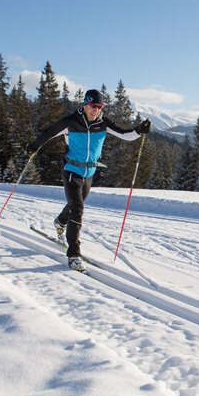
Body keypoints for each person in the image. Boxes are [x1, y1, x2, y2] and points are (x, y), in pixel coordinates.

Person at [27, 89, 150, 271]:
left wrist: (139, 130)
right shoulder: (71, 122)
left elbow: (126, 135)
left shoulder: (103, 123)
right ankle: (74, 254)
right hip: (71, 170)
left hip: (89, 172)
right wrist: (34, 146)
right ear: (85, 104)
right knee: (78, 208)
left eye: (100, 107)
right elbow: (49, 133)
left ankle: (60, 221)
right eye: (93, 106)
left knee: (75, 204)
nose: (96, 110)